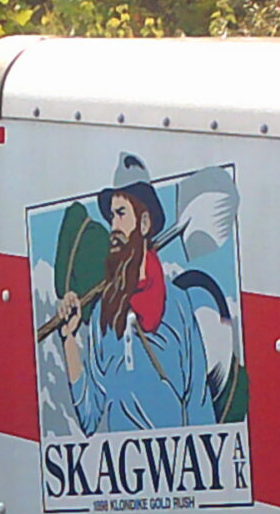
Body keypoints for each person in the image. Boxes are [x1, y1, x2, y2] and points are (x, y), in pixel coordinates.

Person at [55, 156, 211, 434]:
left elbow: (200, 407)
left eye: (121, 214)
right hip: (123, 475)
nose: (113, 226)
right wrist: (68, 339)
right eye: (111, 216)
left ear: (145, 223)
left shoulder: (178, 305)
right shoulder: (105, 311)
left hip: (176, 472)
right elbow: (89, 416)